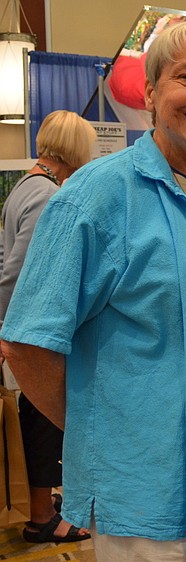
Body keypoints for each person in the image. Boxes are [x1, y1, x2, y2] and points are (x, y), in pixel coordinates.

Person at [1, 19, 186, 560]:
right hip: (154, 475)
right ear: (151, 93)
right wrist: (103, 429)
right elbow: (27, 344)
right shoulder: (98, 195)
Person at [0, 110, 96, 544]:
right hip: (34, 336)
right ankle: (43, 515)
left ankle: (45, 506)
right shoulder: (44, 195)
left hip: (23, 330)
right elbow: (19, 273)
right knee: (41, 419)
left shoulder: (25, 187)